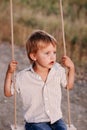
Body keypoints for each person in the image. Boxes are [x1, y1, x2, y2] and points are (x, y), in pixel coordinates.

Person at [4, 30, 75, 130]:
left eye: (54, 52)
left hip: (56, 120)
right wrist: (9, 73)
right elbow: (8, 93)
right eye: (47, 53)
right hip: (35, 122)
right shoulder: (23, 77)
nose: (52, 56)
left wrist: (71, 68)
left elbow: (69, 85)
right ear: (34, 56)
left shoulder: (57, 70)